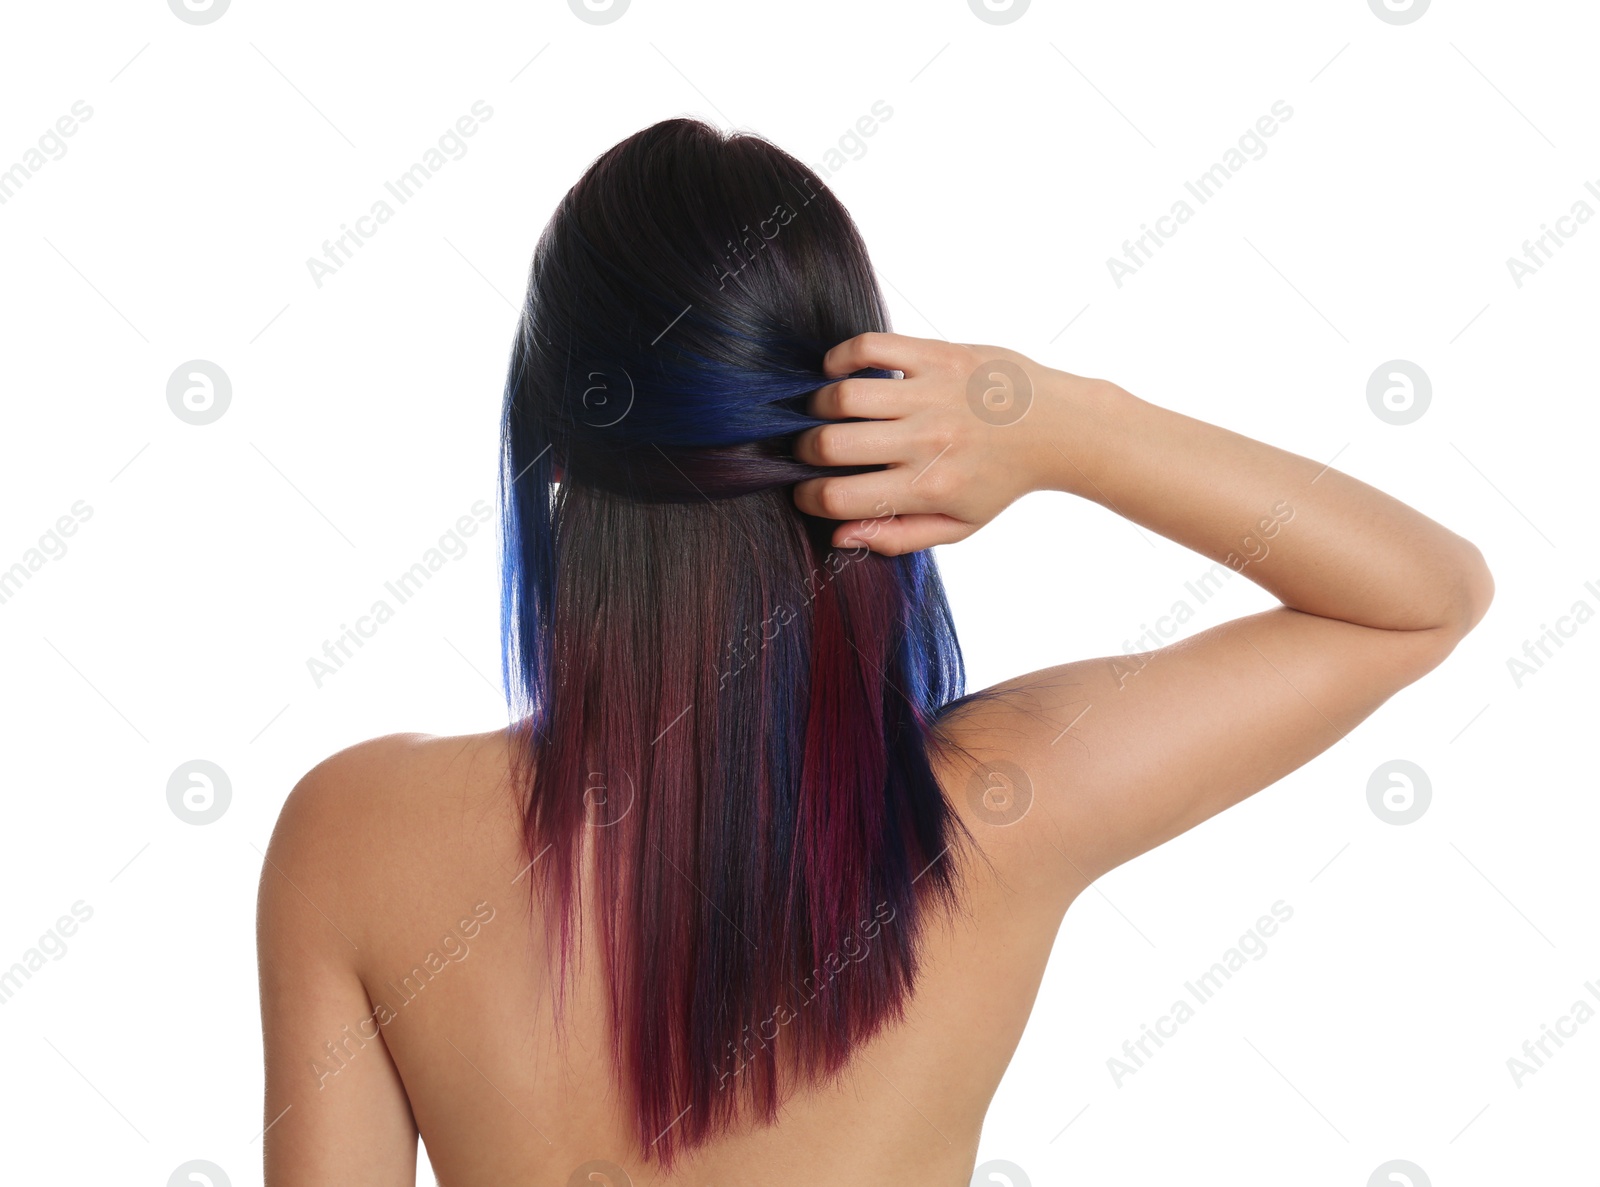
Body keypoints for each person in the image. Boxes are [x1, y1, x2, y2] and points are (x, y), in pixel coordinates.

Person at [256, 119, 1493, 1186]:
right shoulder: (994, 809)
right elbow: (1421, 595)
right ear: (862, 444)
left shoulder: (354, 836)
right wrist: (1066, 426)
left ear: (556, 451)